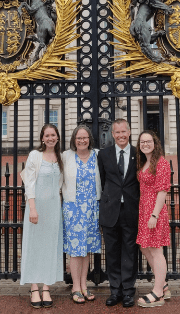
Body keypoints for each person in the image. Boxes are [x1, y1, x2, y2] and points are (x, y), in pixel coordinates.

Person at [20, 124, 65, 309]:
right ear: (42, 138)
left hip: (54, 208)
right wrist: (32, 208)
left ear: (57, 137)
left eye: (53, 135)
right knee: (34, 246)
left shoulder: (61, 157)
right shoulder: (35, 156)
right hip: (37, 207)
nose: (50, 138)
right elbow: (29, 183)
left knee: (50, 246)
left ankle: (46, 286)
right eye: (47, 135)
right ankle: (34, 287)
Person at [98, 119, 141, 308]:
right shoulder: (104, 154)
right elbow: (102, 179)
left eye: (124, 132)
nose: (121, 135)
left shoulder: (138, 154)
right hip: (110, 210)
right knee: (113, 252)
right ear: (113, 134)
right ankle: (115, 291)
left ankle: (129, 291)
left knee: (130, 252)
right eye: (117, 132)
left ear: (129, 132)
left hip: (131, 209)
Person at [61, 125, 102, 304]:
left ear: (90, 139)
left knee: (86, 250)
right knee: (75, 250)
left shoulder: (98, 155)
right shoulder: (66, 156)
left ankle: (84, 285)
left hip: (92, 208)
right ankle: (75, 287)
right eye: (79, 138)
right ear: (74, 140)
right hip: (73, 208)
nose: (82, 141)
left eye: (85, 138)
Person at [135, 130, 172, 308]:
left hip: (154, 211)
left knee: (156, 250)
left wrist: (154, 215)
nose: (145, 144)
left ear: (155, 143)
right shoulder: (144, 162)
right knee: (144, 247)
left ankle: (158, 292)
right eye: (142, 142)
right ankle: (163, 283)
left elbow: (162, 191)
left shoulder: (161, 163)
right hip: (144, 210)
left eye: (148, 141)